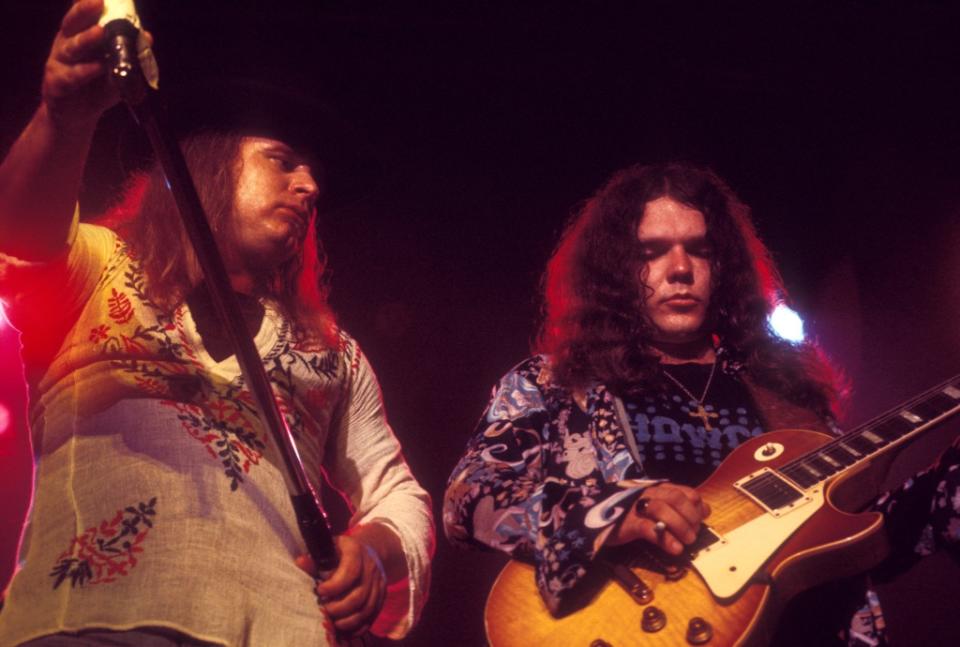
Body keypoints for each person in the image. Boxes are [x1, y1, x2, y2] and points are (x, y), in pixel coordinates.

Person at [0, 1, 433, 645]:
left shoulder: (333, 352)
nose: (310, 185)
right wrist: (64, 120)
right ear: (209, 165)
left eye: (312, 172)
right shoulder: (97, 263)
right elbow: (22, 231)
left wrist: (371, 548)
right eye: (282, 160)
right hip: (95, 623)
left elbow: (400, 493)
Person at [443, 161, 960, 645]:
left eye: (700, 249)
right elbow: (470, 500)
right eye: (651, 252)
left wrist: (945, 487)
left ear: (724, 264)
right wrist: (616, 512)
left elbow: (857, 543)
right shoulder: (554, 384)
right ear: (616, 270)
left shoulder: (785, 391)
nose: (680, 269)